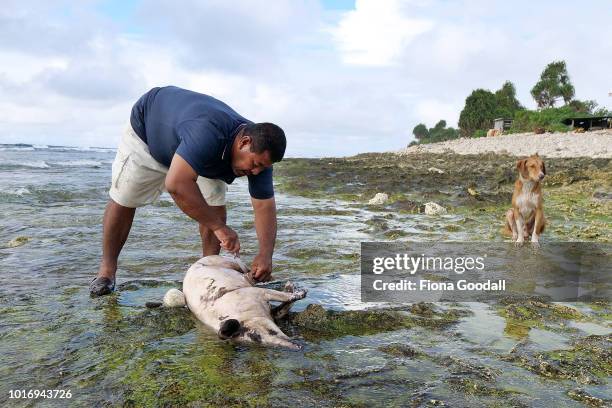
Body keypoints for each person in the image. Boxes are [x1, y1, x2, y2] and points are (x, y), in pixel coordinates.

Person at [90, 86, 286, 296]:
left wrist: (266, 255)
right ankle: (107, 271)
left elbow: (264, 205)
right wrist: (220, 228)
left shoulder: (261, 158)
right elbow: (176, 184)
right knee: (124, 198)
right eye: (254, 164)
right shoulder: (208, 132)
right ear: (244, 142)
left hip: (200, 152)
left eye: (262, 167)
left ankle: (208, 272)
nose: (255, 172)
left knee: (214, 206)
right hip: (148, 133)